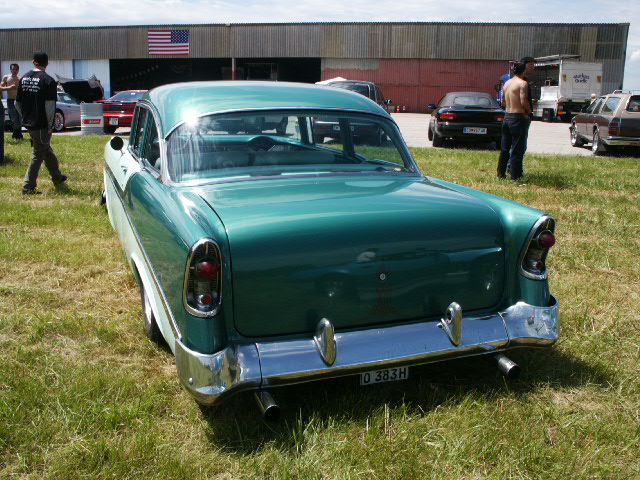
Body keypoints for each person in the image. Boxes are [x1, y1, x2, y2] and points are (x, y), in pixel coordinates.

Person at [16, 51, 67, 195]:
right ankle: (28, 187)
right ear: (47, 63)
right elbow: (49, 106)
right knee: (38, 154)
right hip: (42, 124)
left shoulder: (23, 78)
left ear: (34, 62)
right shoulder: (48, 81)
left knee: (45, 149)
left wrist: (25, 117)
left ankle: (57, 177)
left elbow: (17, 103)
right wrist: (50, 125)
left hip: (29, 123)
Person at [497, 61, 532, 182]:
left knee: (505, 148)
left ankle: (501, 173)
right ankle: (515, 176)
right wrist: (529, 111)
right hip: (518, 117)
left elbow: (503, 102)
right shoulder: (522, 83)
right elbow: (523, 101)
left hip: (507, 116)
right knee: (517, 148)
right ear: (523, 70)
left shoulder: (507, 83)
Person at [1, 64, 24, 140]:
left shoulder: (20, 79)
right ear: (10, 69)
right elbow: (1, 88)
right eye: (13, 69)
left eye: (16, 69)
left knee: (20, 120)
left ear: (18, 70)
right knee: (14, 119)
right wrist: (9, 87)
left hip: (19, 101)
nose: (14, 71)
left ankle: (18, 136)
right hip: (10, 100)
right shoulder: (6, 77)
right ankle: (16, 136)